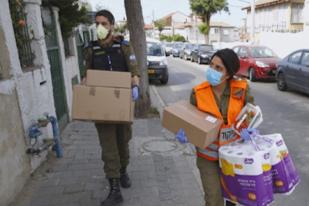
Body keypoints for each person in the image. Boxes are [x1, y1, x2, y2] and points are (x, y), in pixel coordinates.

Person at [177, 48, 254, 206]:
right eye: (211, 65)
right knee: (213, 199)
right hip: (208, 157)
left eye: (218, 68)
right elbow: (189, 122)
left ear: (228, 73)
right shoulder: (197, 93)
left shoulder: (242, 90)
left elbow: (251, 114)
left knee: (233, 199)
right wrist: (185, 133)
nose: (212, 70)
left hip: (234, 156)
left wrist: (251, 129)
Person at [84, 10, 140, 206]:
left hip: (122, 104)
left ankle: (123, 171)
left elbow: (134, 72)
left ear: (112, 25)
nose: (101, 27)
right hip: (102, 107)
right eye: (98, 23)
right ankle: (114, 188)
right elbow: (87, 76)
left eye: (104, 23)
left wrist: (135, 86)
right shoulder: (91, 49)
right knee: (108, 148)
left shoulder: (123, 46)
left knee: (123, 143)